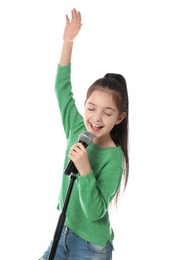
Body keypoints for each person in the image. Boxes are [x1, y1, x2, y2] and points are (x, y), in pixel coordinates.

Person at [40, 8, 129, 260]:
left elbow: (94, 212)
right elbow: (61, 87)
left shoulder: (114, 159)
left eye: (107, 113)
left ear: (119, 118)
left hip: (92, 244)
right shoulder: (76, 126)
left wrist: (85, 169)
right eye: (91, 108)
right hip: (63, 230)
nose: (96, 118)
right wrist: (67, 42)